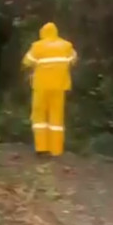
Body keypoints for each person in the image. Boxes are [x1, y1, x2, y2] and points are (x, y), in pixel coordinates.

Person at [22, 22, 77, 157]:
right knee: (56, 118)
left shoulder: (37, 46)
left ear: (42, 33)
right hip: (59, 86)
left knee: (39, 116)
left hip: (41, 86)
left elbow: (26, 62)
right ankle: (56, 150)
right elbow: (73, 60)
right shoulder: (66, 46)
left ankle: (41, 148)